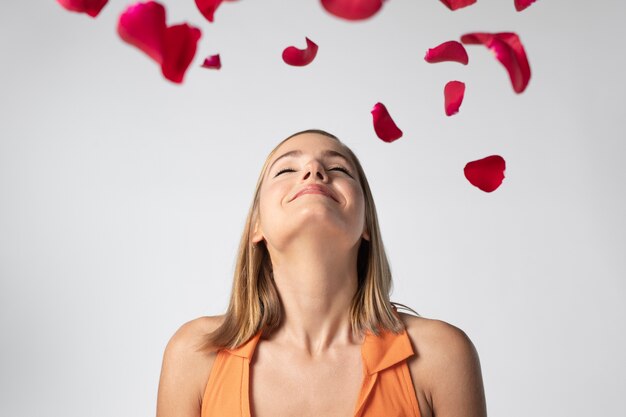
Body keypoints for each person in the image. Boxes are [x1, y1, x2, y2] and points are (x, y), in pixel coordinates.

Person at [156, 129, 487, 417]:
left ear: (367, 224)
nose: (314, 170)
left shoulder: (440, 355)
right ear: (257, 226)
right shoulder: (194, 355)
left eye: (339, 168)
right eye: (287, 168)